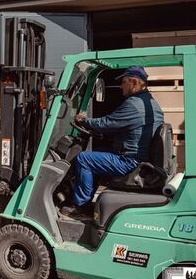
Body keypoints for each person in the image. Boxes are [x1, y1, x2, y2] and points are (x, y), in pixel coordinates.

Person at [62, 66, 164, 218]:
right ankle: (85, 199)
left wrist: (84, 120)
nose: (121, 86)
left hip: (129, 162)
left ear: (134, 82)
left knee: (84, 159)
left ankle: (80, 206)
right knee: (97, 154)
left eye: (124, 82)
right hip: (138, 158)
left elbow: (106, 123)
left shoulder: (134, 104)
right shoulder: (151, 103)